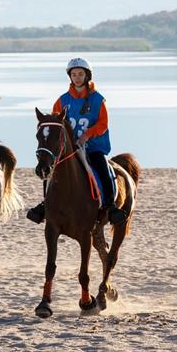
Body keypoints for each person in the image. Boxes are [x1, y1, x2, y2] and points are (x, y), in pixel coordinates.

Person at [26, 57, 125, 226]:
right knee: (50, 169)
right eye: (74, 74)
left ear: (87, 76)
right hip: (69, 148)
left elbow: (103, 123)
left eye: (80, 74)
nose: (77, 77)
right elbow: (55, 122)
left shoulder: (98, 99)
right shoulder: (62, 100)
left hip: (92, 146)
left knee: (102, 167)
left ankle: (110, 206)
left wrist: (87, 135)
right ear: (70, 77)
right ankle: (45, 204)